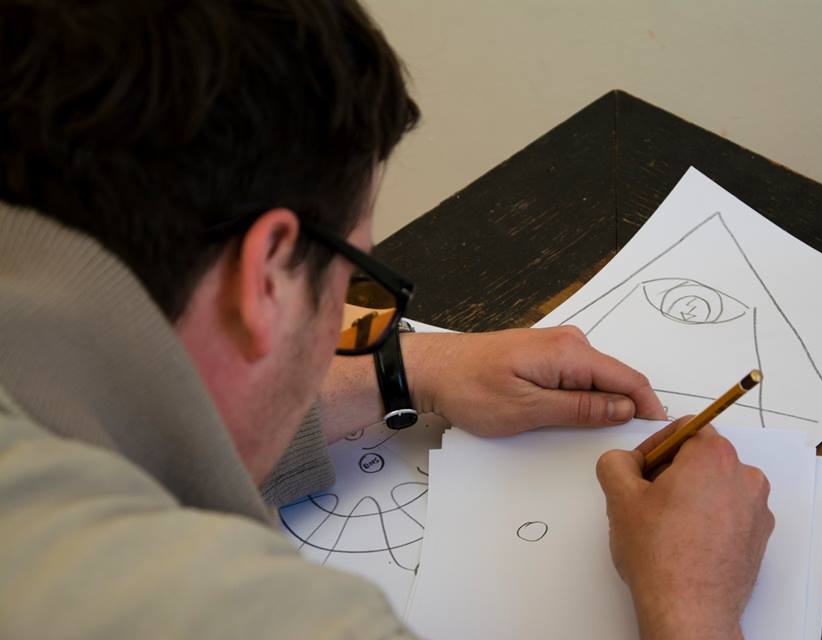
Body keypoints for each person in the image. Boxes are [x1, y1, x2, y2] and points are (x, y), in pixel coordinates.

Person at [0, 1, 773, 638]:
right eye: (352, 276)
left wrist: (404, 371)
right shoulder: (257, 614)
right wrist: (692, 607)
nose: (346, 311)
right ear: (267, 273)